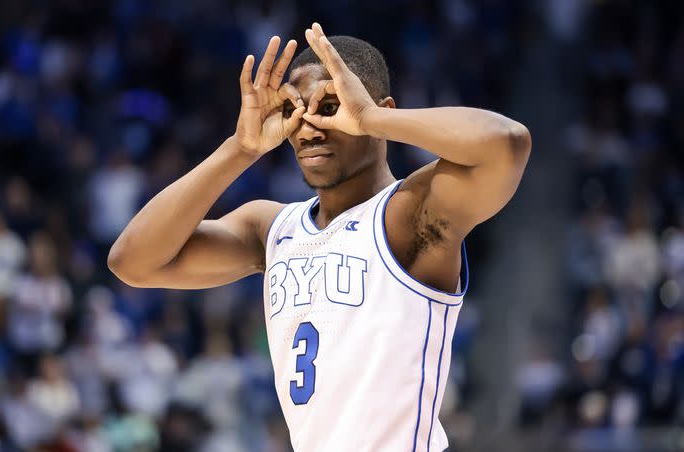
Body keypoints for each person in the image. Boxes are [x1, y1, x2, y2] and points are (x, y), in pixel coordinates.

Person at [108, 22, 530, 452]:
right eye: (296, 113)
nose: (309, 128)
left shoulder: (409, 214)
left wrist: (372, 119)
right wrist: (241, 148)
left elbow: (507, 143)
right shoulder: (270, 229)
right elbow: (132, 261)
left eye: (329, 107)